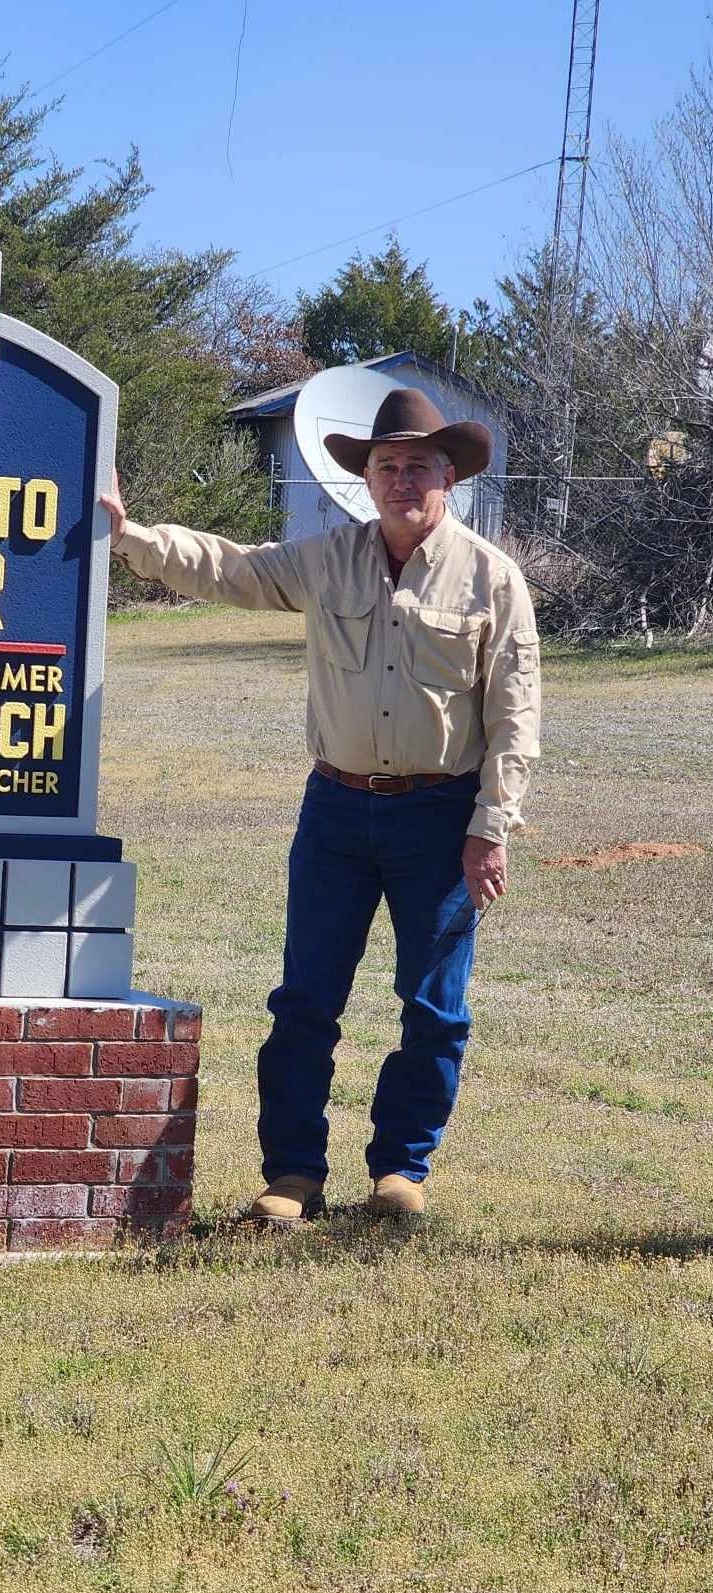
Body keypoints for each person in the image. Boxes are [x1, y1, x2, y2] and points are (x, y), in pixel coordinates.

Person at [102, 385, 540, 1223]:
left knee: (434, 1006)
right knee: (305, 1001)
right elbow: (230, 568)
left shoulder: (493, 578)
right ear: (366, 479)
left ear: (450, 477)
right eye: (387, 466)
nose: (402, 479)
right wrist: (129, 537)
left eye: (419, 465)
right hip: (335, 813)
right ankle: (293, 1176)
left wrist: (491, 828)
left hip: (440, 815)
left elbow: (515, 716)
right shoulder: (326, 557)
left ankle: (401, 1173)